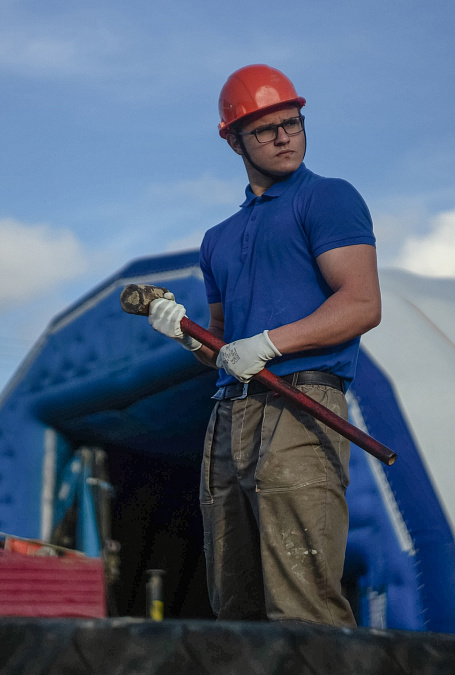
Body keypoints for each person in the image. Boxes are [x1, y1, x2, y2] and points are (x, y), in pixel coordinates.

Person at [147, 64, 381, 626]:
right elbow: (226, 348)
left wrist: (272, 343)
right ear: (232, 139)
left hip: (302, 405)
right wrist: (183, 331)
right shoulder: (217, 239)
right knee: (236, 606)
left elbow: (361, 304)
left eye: (292, 123)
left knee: (302, 603)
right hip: (231, 414)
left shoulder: (327, 199)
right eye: (266, 129)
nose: (284, 137)